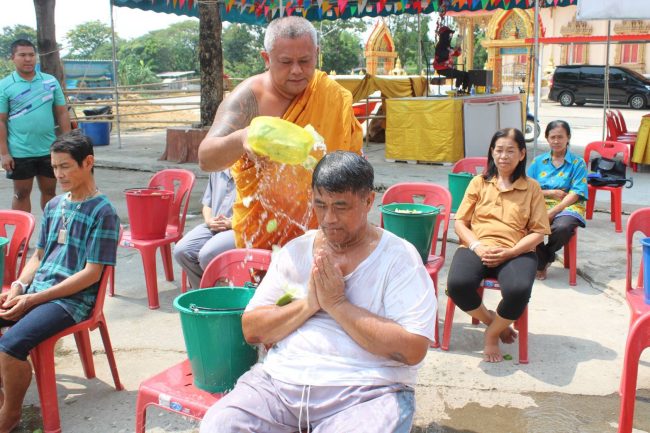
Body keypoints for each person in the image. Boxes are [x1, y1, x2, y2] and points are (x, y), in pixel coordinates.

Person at [200, 152, 436, 433]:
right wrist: (309, 304)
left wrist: (338, 305)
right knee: (220, 425)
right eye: (320, 205)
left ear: (368, 202)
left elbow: (412, 349)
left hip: (367, 394)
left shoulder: (399, 259)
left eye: (341, 206)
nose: (329, 218)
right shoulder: (296, 250)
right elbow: (252, 330)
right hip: (279, 386)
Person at [198, 16, 362, 250]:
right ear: (266, 59)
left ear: (316, 54)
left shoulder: (331, 95)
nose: (296, 71)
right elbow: (205, 158)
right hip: (265, 231)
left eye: (305, 61)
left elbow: (354, 160)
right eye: (286, 62)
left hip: (324, 228)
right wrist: (241, 138)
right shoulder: (248, 99)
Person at [0, 130, 119, 431]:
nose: (59, 174)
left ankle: (11, 414)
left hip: (73, 301)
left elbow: (91, 274)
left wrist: (33, 299)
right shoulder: (54, 206)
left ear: (88, 162)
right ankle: (5, 394)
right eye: (54, 167)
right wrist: (19, 287)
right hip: (39, 291)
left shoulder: (104, 212)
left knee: (12, 344)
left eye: (65, 166)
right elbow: (38, 256)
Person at [446, 128, 550, 363]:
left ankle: (492, 334)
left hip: (516, 251)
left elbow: (539, 232)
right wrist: (477, 246)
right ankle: (492, 320)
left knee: (518, 290)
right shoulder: (478, 183)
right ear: (492, 152)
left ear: (522, 154)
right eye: (499, 150)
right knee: (457, 285)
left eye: (510, 151)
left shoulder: (532, 188)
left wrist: (511, 252)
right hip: (477, 246)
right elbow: (460, 223)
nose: (503, 156)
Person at [0, 39, 71, 213]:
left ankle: (51, 236)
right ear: (13, 58)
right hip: (20, 151)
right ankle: (22, 239)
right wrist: (4, 153)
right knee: (21, 193)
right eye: (22, 55)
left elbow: (62, 113)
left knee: (50, 192)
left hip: (49, 150)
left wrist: (68, 145)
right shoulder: (5, 85)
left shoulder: (50, 82)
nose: (28, 59)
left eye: (31, 55)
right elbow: (1, 120)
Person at [527, 120, 588, 280]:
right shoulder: (538, 162)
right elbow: (527, 188)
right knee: (525, 222)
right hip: (540, 203)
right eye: (552, 137)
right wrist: (550, 193)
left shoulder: (578, 163)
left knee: (562, 227)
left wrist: (554, 210)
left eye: (560, 137)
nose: (556, 141)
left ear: (568, 137)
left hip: (569, 205)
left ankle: (545, 257)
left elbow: (577, 192)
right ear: (547, 138)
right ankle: (544, 260)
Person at [173, 169, 236, 289]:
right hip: (213, 225)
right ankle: (204, 293)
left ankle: (222, 295)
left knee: (207, 254)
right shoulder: (218, 168)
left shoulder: (252, 168)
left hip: (238, 228)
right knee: (181, 250)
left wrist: (231, 223)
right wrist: (208, 220)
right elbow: (207, 204)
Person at [433, 26, 470, 93]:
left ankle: (463, 90)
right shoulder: (439, 46)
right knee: (460, 74)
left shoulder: (447, 45)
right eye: (448, 34)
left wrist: (458, 46)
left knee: (466, 74)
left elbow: (456, 54)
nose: (450, 36)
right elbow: (446, 54)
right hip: (441, 69)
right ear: (444, 35)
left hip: (448, 68)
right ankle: (456, 90)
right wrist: (454, 49)